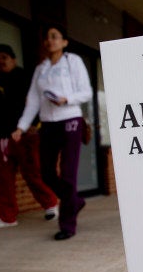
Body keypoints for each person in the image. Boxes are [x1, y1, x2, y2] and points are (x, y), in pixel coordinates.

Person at [12, 25, 92, 240]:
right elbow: (33, 101)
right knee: (46, 172)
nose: (50, 41)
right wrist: (21, 126)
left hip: (70, 121)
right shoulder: (41, 68)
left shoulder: (72, 61)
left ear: (64, 42)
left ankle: (67, 225)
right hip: (48, 124)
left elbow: (86, 92)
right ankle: (75, 201)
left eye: (55, 37)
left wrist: (68, 99)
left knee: (68, 174)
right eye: (47, 38)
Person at [0, 44, 59, 229]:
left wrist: (36, 125)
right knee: (4, 180)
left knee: (33, 173)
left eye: (4, 57)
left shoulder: (26, 80)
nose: (0, 61)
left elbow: (41, 103)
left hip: (25, 137)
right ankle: (8, 217)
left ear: (13, 59)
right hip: (0, 139)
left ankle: (50, 204)